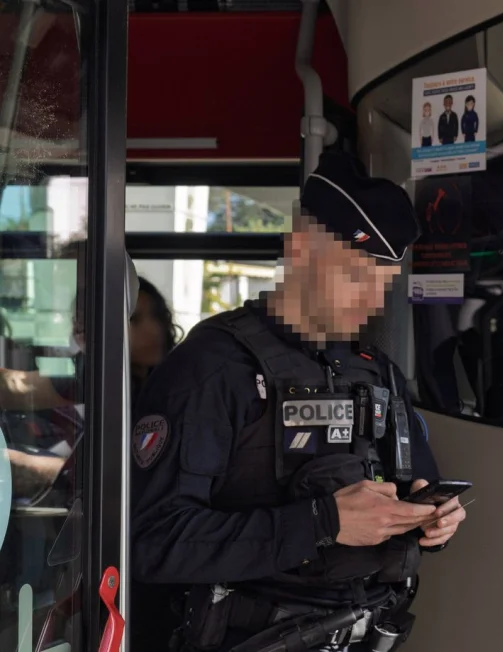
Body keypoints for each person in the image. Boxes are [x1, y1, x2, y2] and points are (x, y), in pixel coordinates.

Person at [130, 151, 467, 652]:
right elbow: (153, 541)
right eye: (357, 277)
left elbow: (413, 488)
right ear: (301, 247)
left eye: (384, 285)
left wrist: (431, 520)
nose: (372, 302)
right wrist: (319, 524)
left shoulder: (379, 372)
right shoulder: (213, 368)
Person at [130, 277, 182, 403]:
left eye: (157, 316)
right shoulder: (88, 398)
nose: (155, 330)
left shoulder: (179, 385)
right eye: (134, 319)